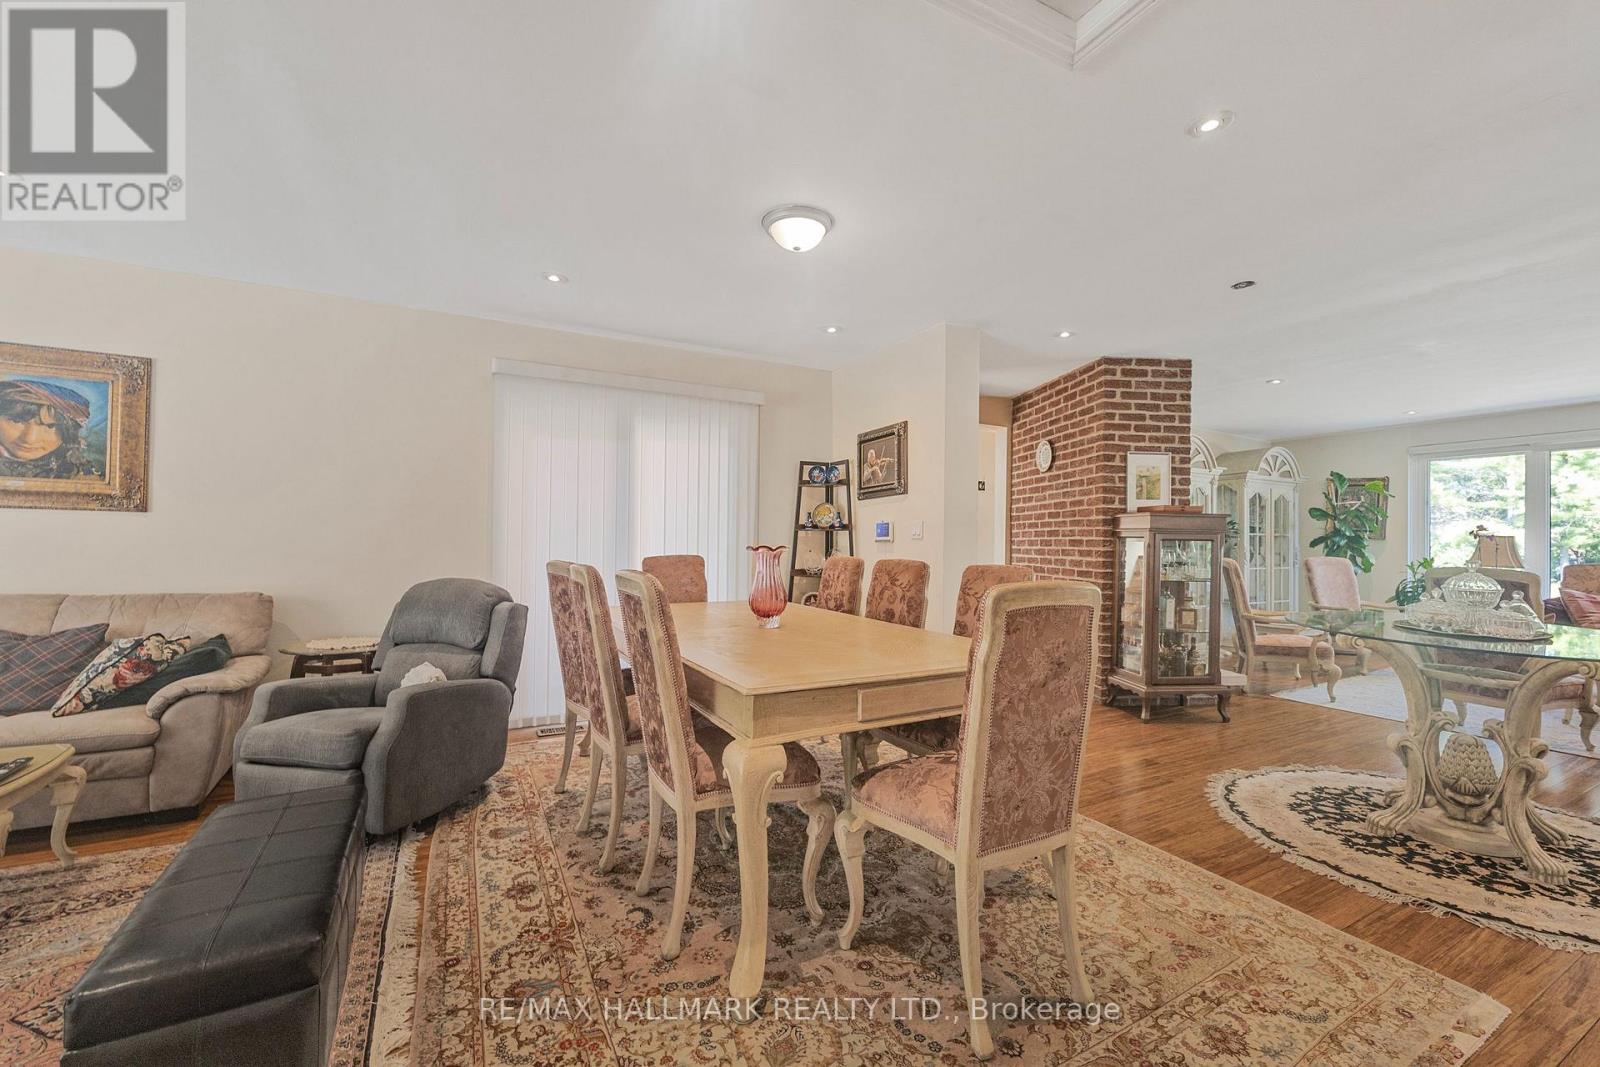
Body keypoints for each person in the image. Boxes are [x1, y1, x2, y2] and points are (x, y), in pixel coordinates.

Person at [0, 378, 100, 479]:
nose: (29, 439)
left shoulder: (83, 475)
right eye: (16, 421)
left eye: (50, 426)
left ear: (70, 431)